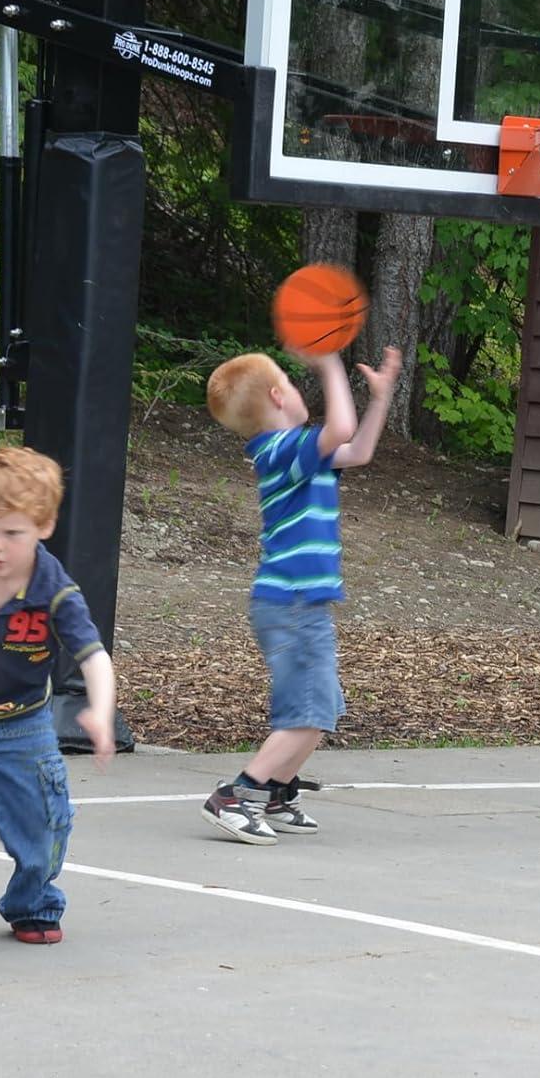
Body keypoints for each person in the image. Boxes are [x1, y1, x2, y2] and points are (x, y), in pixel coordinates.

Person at [202, 342, 399, 844]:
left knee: (322, 706)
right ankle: (237, 794)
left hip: (297, 603)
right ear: (277, 395)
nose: (297, 389)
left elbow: (359, 450)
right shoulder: (280, 449)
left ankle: (276, 791)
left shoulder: (298, 456)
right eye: (291, 384)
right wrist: (330, 363)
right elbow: (341, 429)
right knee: (308, 713)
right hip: (290, 603)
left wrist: (380, 398)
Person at [0, 447, 117, 943]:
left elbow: (95, 658)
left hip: (20, 721)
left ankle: (32, 904)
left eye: (12, 533)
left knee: (44, 825)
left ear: (44, 526)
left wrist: (100, 713)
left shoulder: (55, 591)